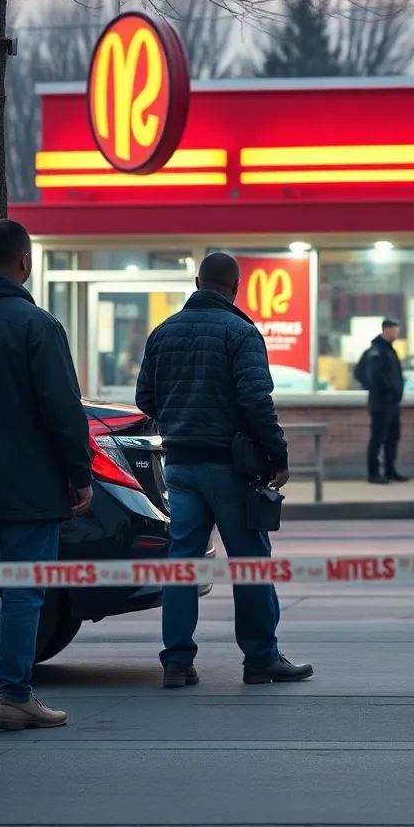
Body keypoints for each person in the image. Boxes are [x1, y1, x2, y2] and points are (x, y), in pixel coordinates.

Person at [135, 252, 313, 688]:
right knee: (250, 562)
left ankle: (176, 662)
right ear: (235, 287)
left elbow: (145, 398)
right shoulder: (241, 331)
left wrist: (178, 420)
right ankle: (260, 659)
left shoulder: (163, 332)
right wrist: (278, 456)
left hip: (179, 465)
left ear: (198, 281)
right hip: (230, 467)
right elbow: (256, 401)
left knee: (182, 564)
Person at [0, 219, 93, 731]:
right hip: (28, 489)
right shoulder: (38, 327)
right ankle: (15, 696)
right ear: (24, 263)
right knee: (25, 589)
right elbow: (63, 411)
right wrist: (80, 475)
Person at [363, 318, 408, 484]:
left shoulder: (389, 350)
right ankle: (373, 473)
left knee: (392, 437)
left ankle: (390, 470)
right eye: (395, 330)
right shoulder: (377, 350)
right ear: (386, 330)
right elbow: (368, 374)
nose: (397, 333)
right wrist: (384, 392)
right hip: (381, 403)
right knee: (378, 437)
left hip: (392, 402)